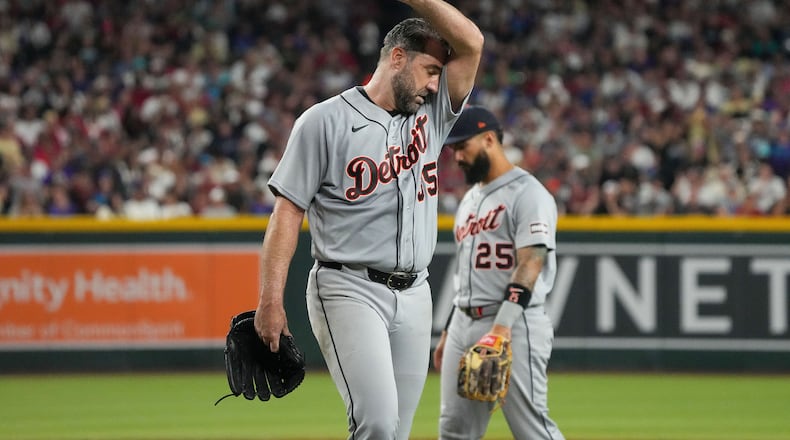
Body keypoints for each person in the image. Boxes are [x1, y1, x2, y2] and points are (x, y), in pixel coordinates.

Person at [253, 2, 484, 439]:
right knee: (376, 422)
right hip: (348, 288)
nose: (436, 85)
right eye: (431, 70)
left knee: (396, 432)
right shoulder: (323, 122)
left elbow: (472, 42)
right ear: (397, 57)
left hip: (416, 292)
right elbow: (286, 213)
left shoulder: (430, 115)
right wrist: (270, 299)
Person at [434, 106, 565, 440]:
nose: (457, 156)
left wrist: (501, 327)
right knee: (454, 431)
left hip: (513, 324)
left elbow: (531, 262)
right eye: (453, 149)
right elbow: (467, 272)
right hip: (464, 321)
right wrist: (451, 328)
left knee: (531, 429)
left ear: (489, 139)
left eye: (463, 147)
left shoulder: (528, 193)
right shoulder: (469, 200)